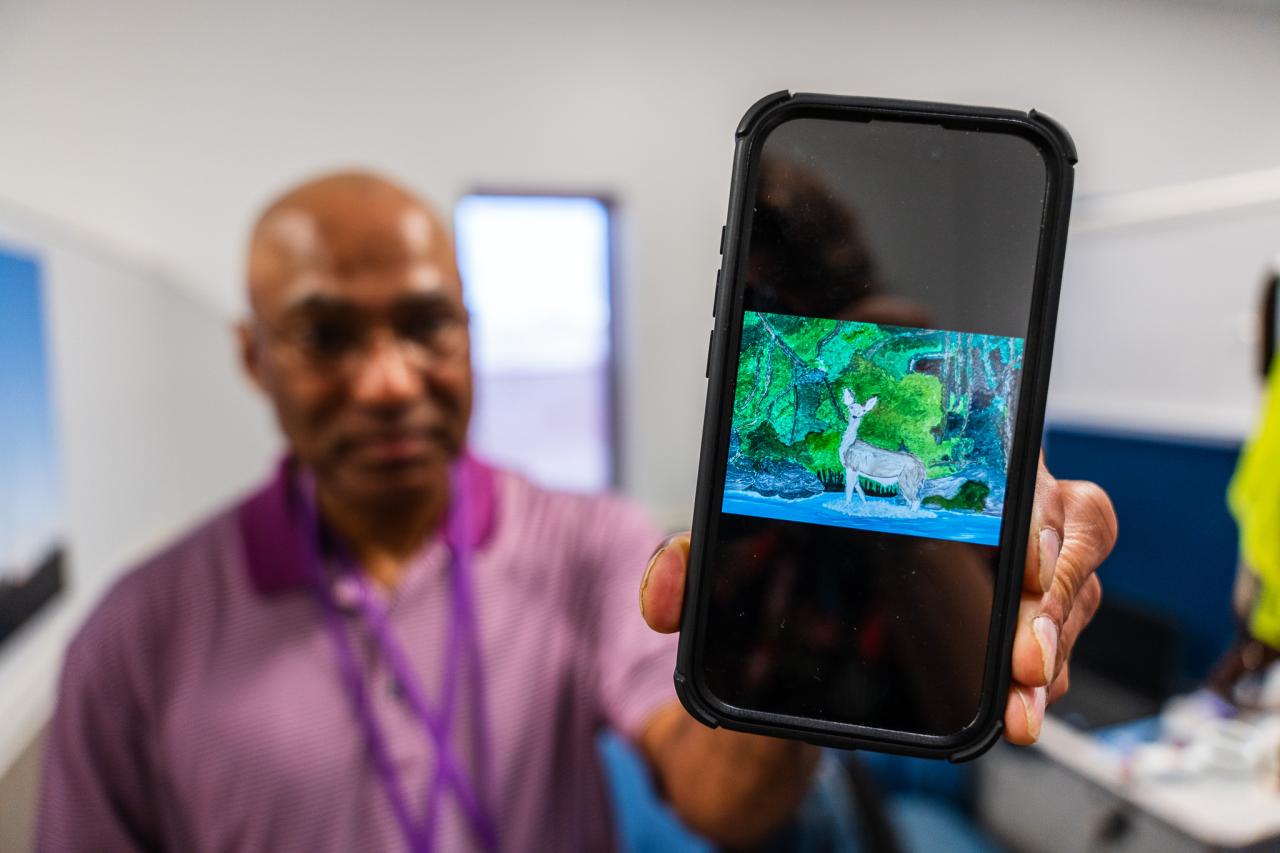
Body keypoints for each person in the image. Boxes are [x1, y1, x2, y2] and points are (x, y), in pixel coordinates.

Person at [36, 172, 1115, 852]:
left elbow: (719, 801)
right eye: (326, 336)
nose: (386, 382)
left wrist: (883, 523)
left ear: (470, 328)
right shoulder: (132, 640)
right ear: (250, 355)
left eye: (424, 325)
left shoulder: (587, 545)